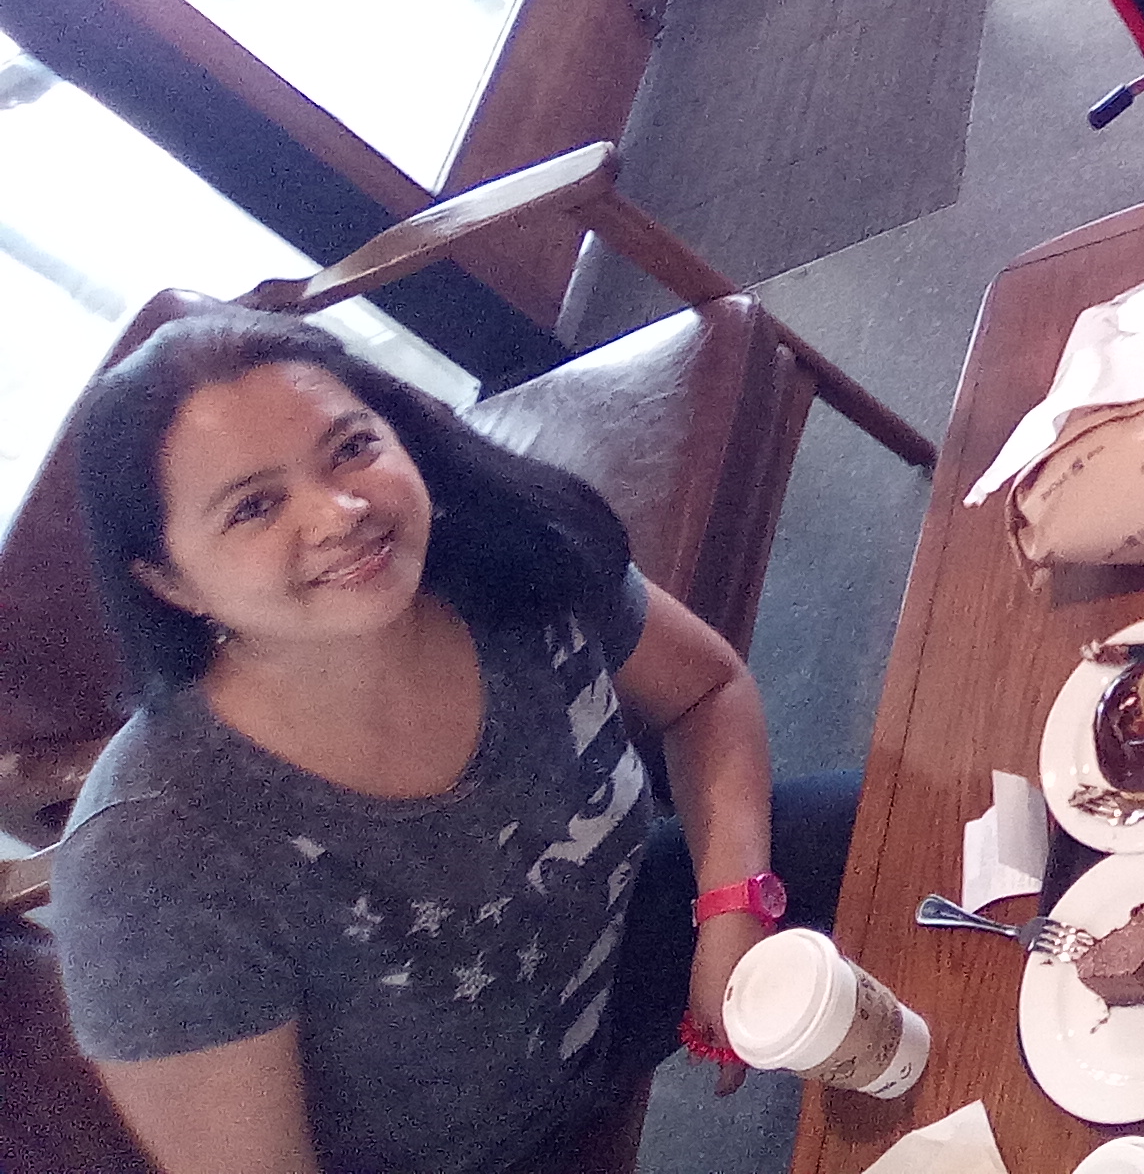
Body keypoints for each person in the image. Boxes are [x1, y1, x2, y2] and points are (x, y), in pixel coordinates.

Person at [49, 308, 862, 1174]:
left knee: (912, 830)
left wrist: (732, 909)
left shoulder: (501, 551)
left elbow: (707, 691)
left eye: (351, 447)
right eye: (254, 506)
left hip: (620, 940)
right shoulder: (148, 862)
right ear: (170, 581)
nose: (338, 513)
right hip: (479, 1157)